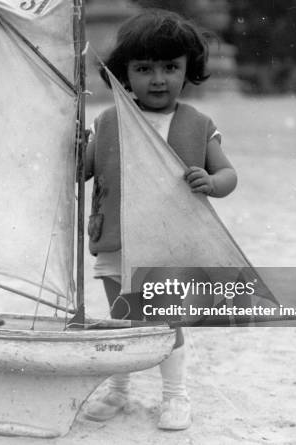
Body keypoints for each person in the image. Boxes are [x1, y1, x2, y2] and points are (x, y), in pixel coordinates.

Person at [82, 9, 237, 431]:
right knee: (122, 320)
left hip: (172, 243)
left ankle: (175, 396)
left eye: (170, 67)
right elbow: (82, 171)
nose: (157, 78)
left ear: (188, 71)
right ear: (123, 74)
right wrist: (73, 140)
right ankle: (118, 390)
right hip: (117, 240)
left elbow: (228, 175)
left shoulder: (197, 124)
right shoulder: (108, 120)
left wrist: (212, 181)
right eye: (144, 68)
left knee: (168, 321)